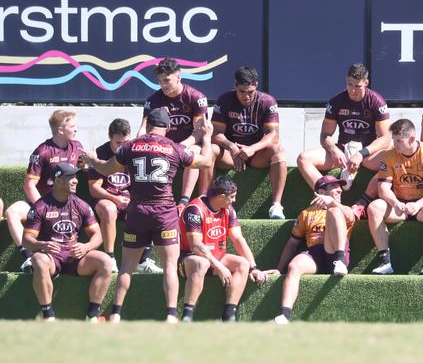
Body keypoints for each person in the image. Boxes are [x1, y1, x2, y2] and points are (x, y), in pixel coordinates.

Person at [81, 107, 214, 323]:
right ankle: (171, 315)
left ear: (147, 125)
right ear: (168, 128)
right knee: (170, 265)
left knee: (126, 267)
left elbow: (105, 170)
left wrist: (91, 160)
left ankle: (115, 313)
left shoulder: (131, 146)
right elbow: (206, 161)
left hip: (138, 211)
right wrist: (206, 137)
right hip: (164, 211)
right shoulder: (174, 147)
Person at [297, 63, 391, 215]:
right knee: (303, 158)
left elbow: (386, 138)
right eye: (350, 85)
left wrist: (361, 154)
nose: (353, 90)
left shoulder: (376, 101)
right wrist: (334, 149)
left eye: (358, 86)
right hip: (343, 150)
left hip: (368, 153)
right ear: (345, 81)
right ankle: (326, 196)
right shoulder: (336, 101)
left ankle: (363, 202)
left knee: (391, 160)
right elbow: (324, 135)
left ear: (366, 83)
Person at [22, 163, 112, 322]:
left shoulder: (80, 204)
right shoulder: (41, 206)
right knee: (38, 260)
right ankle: (48, 315)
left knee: (105, 261)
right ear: (57, 181)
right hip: (51, 258)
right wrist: (43, 245)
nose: (75, 181)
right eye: (70, 177)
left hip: (75, 257)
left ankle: (92, 315)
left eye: (75, 177)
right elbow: (27, 240)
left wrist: (86, 247)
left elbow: (98, 234)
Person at [178, 176, 274, 322]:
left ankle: (228, 316)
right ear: (222, 197)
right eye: (232, 197)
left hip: (217, 257)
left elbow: (238, 239)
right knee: (201, 263)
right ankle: (187, 316)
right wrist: (220, 266)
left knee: (243, 264)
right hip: (190, 259)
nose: (234, 200)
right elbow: (195, 245)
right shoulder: (195, 210)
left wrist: (254, 267)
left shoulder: (228, 209)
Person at [5, 110, 83, 273]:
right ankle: (28, 258)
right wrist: (43, 208)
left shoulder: (77, 146)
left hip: (67, 204)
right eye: (72, 126)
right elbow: (29, 185)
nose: (76, 129)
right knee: (12, 211)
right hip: (42, 203)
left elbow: (85, 167)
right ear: (61, 130)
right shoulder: (42, 151)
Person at [272, 175, 356, 324]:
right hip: (315, 254)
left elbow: (350, 217)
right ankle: (285, 315)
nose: (339, 190)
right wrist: (279, 268)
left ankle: (340, 260)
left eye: (340, 187)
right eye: (334, 187)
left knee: (334, 212)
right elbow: (292, 243)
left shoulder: (343, 209)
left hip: (335, 252)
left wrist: (332, 203)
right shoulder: (307, 213)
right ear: (321, 192)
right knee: (294, 266)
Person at [367, 118, 423, 275]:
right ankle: (384, 261)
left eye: (398, 141)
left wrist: (418, 204)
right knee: (374, 207)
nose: (394, 145)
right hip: (399, 207)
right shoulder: (389, 155)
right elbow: (383, 187)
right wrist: (395, 202)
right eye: (393, 141)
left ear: (411, 138)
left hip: (422, 208)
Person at [209, 66, 287, 219]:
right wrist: (231, 146)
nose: (246, 97)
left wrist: (252, 148)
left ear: (256, 85)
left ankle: (276, 206)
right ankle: (208, 200)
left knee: (278, 149)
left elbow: (273, 134)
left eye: (250, 92)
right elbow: (215, 134)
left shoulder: (267, 101)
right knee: (210, 149)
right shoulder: (224, 100)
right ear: (235, 86)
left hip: (256, 154)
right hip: (231, 155)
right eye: (242, 92)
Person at [88, 118, 162, 274]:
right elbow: (94, 188)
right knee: (109, 209)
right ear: (110, 137)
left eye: (125, 142)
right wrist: (115, 199)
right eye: (118, 143)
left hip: (129, 200)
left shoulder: (134, 150)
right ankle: (111, 257)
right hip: (107, 199)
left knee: (152, 208)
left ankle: (142, 261)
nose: (122, 147)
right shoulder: (101, 153)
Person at [137, 57, 210, 211]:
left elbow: (199, 132)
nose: (163, 85)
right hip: (163, 148)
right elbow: (143, 129)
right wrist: (139, 144)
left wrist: (181, 146)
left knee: (195, 150)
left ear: (178, 77)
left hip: (186, 146)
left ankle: (183, 201)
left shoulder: (196, 98)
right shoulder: (153, 100)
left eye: (166, 80)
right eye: (160, 81)